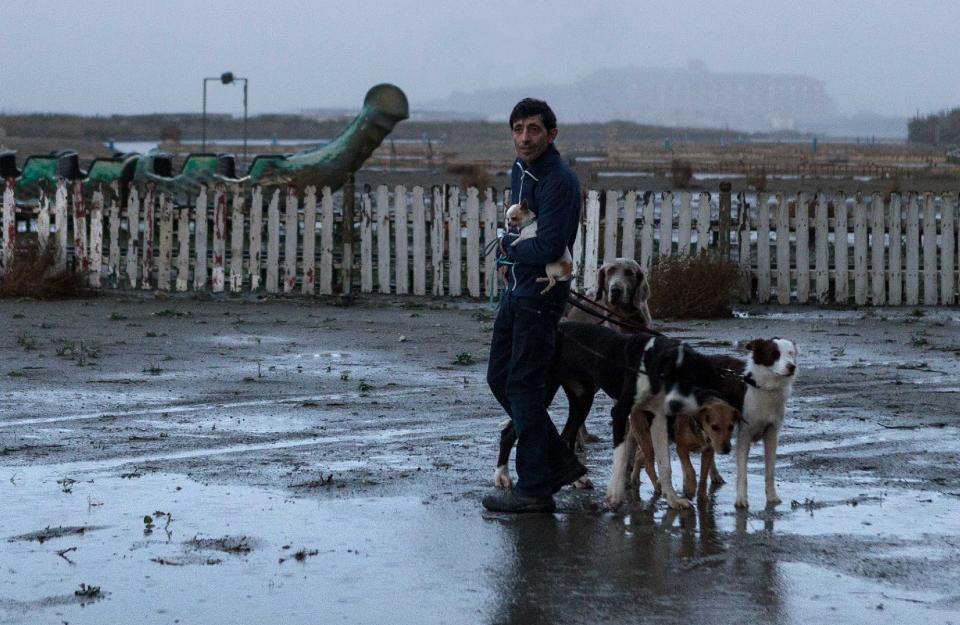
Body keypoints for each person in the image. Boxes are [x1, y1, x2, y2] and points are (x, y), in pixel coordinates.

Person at [482, 98, 585, 513]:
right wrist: (511, 258)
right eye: (519, 129)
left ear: (552, 134)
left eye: (534, 129)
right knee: (499, 378)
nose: (525, 137)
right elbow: (521, 226)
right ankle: (557, 461)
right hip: (517, 289)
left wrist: (506, 247)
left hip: (541, 297)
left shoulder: (558, 180)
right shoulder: (520, 171)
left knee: (524, 386)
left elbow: (547, 244)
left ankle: (535, 488)